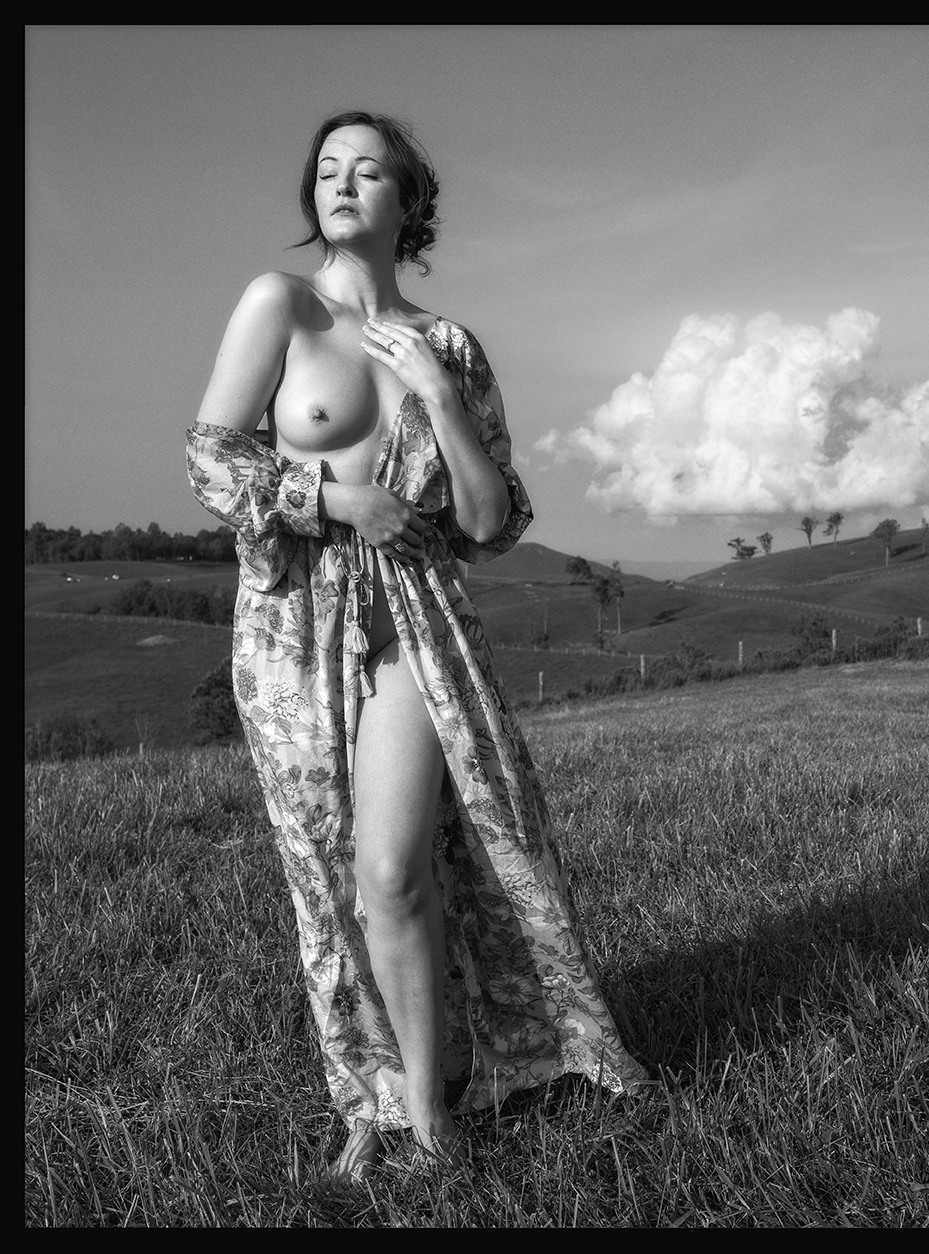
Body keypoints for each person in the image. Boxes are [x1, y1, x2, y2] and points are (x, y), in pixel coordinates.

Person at [185, 111, 646, 1181]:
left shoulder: (452, 347)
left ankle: (433, 1125)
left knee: (392, 869)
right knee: (329, 874)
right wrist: (336, 499)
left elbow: (490, 522)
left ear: (409, 201)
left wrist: (439, 396)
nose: (343, 184)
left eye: (369, 170)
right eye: (327, 171)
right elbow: (210, 459)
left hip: (415, 618)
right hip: (293, 621)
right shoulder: (278, 304)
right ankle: (374, 1093)